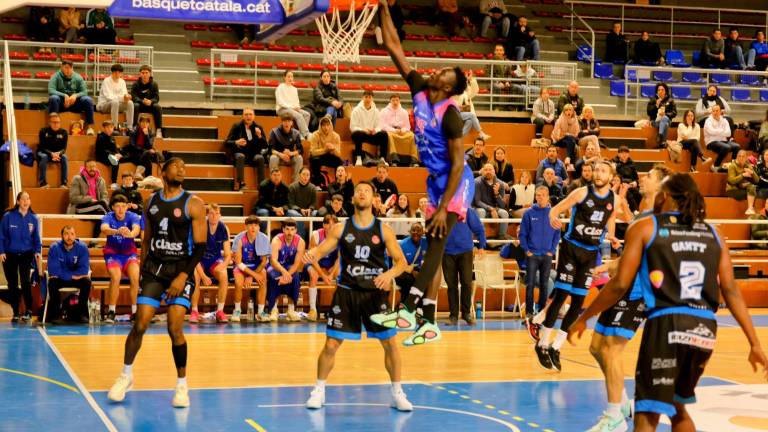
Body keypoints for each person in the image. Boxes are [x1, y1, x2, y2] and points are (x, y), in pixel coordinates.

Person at [568, 173, 768, 432]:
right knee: (677, 408)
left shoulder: (646, 227)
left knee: (646, 414)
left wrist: (584, 317)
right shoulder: (715, 233)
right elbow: (731, 290)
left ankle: (616, 416)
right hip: (705, 330)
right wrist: (754, 343)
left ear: (667, 197)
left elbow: (618, 285)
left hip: (668, 323)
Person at [371, 0, 473, 346]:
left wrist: (445, 207)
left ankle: (410, 309)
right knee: (433, 245)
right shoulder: (419, 90)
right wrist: (381, 7)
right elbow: (392, 46)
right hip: (437, 182)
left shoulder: (451, 114)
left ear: (448, 87)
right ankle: (426, 321)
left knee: (435, 243)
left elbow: (459, 164)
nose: (437, 70)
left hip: (456, 182)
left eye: (444, 72)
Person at [576, 164, 671, 431]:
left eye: (650, 176)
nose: (643, 178)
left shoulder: (657, 216)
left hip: (636, 290)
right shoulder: (644, 211)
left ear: (661, 186)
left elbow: (642, 259)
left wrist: (614, 268)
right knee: (596, 347)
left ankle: (614, 417)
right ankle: (625, 404)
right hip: (625, 282)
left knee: (612, 350)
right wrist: (610, 266)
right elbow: (632, 253)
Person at [108, 157, 207, 408]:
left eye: (185, 167)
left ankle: (182, 385)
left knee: (174, 327)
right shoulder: (151, 202)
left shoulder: (193, 204)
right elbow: (146, 241)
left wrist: (184, 276)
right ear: (163, 172)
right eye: (177, 167)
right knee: (140, 323)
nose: (182, 170)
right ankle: (126, 376)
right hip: (154, 270)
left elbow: (201, 247)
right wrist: (142, 271)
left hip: (180, 270)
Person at [304, 180, 412, 410]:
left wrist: (389, 275)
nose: (361, 193)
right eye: (358, 191)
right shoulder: (341, 228)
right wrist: (310, 253)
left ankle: (397, 392)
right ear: (353, 199)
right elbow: (321, 250)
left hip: (374, 295)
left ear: (374, 199)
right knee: (331, 344)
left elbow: (402, 262)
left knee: (391, 343)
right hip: (347, 293)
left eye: (366, 191)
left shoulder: (384, 229)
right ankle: (319, 390)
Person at [534, 160, 619, 372]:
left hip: (591, 254)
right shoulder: (582, 193)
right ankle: (542, 343)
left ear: (611, 177)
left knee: (579, 301)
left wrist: (612, 236)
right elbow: (556, 209)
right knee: (562, 296)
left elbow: (610, 218)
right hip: (572, 249)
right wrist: (554, 218)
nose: (598, 173)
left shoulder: (615, 200)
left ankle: (556, 346)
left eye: (603, 171)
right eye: (596, 170)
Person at [0, 191, 41, 322]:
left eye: (28, 199)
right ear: (18, 201)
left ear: (30, 202)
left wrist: (37, 251)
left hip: (26, 254)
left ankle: (28, 310)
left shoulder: (34, 218)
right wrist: (1, 251)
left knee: (25, 282)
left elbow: (36, 238)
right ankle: (16, 311)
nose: (25, 201)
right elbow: (1, 236)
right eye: (23, 199)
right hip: (9, 254)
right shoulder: (8, 216)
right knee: (12, 284)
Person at [100, 194, 142, 324]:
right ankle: (112, 311)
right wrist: (117, 231)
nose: (120, 209)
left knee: (135, 277)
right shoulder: (108, 216)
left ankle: (135, 312)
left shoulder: (133, 216)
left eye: (123, 206)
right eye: (117, 206)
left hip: (129, 254)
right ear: (113, 207)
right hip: (113, 254)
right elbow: (104, 229)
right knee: (116, 277)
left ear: (127, 207)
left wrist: (130, 234)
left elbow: (136, 229)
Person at [520, 186, 559, 318]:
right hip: (532, 255)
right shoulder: (528, 213)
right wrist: (527, 250)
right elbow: (522, 234)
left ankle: (541, 314)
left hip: (547, 256)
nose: (540, 197)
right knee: (530, 285)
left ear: (547, 196)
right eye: (537, 195)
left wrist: (552, 250)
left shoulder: (553, 213)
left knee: (544, 284)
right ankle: (529, 314)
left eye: (542, 195)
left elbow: (557, 234)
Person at [189, 204, 232, 324]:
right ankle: (194, 311)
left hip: (214, 260)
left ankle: (220, 311)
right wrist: (203, 276)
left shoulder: (224, 228)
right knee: (195, 276)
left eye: (217, 213)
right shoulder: (200, 226)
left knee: (224, 275)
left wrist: (222, 267)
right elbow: (194, 255)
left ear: (220, 215)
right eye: (211, 213)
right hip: (200, 260)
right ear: (207, 215)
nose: (214, 216)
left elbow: (228, 255)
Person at [443, 207, 486, 325]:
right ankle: (453, 315)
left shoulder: (467, 211)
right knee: (451, 285)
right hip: (447, 252)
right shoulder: (441, 210)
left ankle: (466, 313)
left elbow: (479, 228)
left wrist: (481, 245)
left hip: (465, 252)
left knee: (467, 283)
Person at [46, 226, 91, 323]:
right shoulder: (54, 247)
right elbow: (53, 271)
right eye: (66, 234)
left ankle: (81, 314)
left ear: (75, 236)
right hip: (63, 279)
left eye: (72, 234)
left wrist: (67, 274)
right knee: (52, 282)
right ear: (61, 236)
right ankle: (55, 315)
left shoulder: (82, 247)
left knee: (86, 282)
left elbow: (84, 270)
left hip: (74, 279)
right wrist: (72, 275)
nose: (69, 237)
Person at [232, 216, 271, 322]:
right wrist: (252, 275)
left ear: (258, 227)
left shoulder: (264, 238)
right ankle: (237, 310)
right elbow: (238, 262)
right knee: (238, 284)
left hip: (257, 267)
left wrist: (250, 276)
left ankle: (261, 312)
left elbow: (263, 262)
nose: (253, 228)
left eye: (255, 225)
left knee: (263, 279)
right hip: (242, 266)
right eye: (250, 225)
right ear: (246, 226)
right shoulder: (239, 239)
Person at [266, 220, 306, 321]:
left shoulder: (300, 242)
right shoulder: (276, 240)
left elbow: (297, 264)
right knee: (274, 276)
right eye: (287, 229)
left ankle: (291, 310)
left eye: (292, 229)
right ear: (283, 229)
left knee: (295, 276)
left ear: (296, 230)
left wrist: (287, 274)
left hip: (290, 267)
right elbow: (273, 261)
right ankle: (273, 309)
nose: (289, 232)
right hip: (275, 266)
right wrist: (284, 273)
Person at [306, 214, 340, 322]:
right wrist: (323, 275)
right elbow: (312, 257)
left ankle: (337, 309)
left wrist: (331, 274)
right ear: (323, 225)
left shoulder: (340, 236)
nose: (331, 228)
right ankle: (312, 310)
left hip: (331, 263)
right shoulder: (316, 235)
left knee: (341, 276)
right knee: (314, 275)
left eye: (334, 225)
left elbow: (340, 258)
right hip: (315, 262)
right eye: (329, 225)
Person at [48, 60, 95, 135]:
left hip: (75, 104)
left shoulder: (78, 77)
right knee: (53, 98)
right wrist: (64, 95)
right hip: (61, 104)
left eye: (70, 68)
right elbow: (51, 90)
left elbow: (84, 92)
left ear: (72, 68)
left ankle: (89, 128)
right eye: (66, 67)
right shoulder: (55, 76)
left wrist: (76, 95)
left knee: (88, 100)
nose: (68, 70)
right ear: (61, 67)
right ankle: (51, 127)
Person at [225, 108, 268, 190]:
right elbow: (227, 142)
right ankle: (241, 183)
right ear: (243, 116)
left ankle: (261, 185)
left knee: (260, 158)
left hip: (253, 155)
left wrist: (259, 136)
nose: (248, 117)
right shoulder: (237, 126)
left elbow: (265, 145)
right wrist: (236, 142)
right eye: (246, 114)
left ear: (254, 116)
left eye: (250, 114)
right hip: (240, 153)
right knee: (240, 156)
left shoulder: (258, 127)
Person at [351, 90, 388, 166]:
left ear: (372, 99)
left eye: (370, 97)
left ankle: (382, 158)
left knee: (384, 135)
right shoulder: (356, 110)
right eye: (366, 97)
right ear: (362, 98)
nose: (368, 99)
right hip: (361, 134)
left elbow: (379, 126)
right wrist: (363, 130)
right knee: (357, 134)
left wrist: (375, 130)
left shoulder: (376, 111)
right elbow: (352, 127)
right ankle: (359, 158)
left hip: (372, 134)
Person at [380, 94, 419, 166]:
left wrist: (403, 130)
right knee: (390, 136)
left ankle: (413, 160)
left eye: (397, 100)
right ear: (390, 101)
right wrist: (394, 130)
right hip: (390, 130)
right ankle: (394, 160)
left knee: (412, 136)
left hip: (401, 131)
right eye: (393, 100)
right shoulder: (384, 111)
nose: (395, 102)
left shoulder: (404, 111)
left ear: (399, 101)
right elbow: (383, 125)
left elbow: (407, 126)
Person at [395, 222, 427, 307]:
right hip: (402, 271)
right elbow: (397, 263)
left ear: (423, 232)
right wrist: (412, 271)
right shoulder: (402, 244)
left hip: (420, 272)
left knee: (424, 281)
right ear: (409, 231)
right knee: (411, 281)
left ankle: (407, 306)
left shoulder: (427, 243)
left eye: (418, 230)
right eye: (413, 230)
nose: (416, 232)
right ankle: (407, 306)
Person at [452, 71, 491, 141]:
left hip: (464, 115)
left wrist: (471, 80)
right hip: (455, 114)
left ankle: (459, 138)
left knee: (469, 122)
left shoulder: (466, 93)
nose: (465, 83)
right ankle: (481, 133)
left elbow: (475, 90)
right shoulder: (454, 92)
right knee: (471, 115)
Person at [474, 163, 510, 239]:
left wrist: (496, 194)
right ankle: (480, 237)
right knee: (481, 212)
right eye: (486, 170)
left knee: (505, 213)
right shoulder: (477, 182)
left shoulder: (500, 183)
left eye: (490, 169)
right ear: (482, 172)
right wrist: (491, 209)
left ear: (494, 171)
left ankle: (501, 237)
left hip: (494, 209)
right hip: (479, 208)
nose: (488, 171)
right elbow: (477, 201)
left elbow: (502, 205)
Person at [275, 70, 311, 140]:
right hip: (282, 109)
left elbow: (297, 102)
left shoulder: (294, 89)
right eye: (288, 76)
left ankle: (301, 135)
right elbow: (280, 102)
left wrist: (297, 107)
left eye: (291, 77)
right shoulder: (280, 87)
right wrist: (291, 107)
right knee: (299, 116)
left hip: (292, 109)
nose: (290, 78)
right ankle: (306, 134)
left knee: (307, 114)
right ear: (284, 77)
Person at [97, 64, 134, 131]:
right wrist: (123, 98)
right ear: (112, 72)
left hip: (116, 105)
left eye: (119, 72)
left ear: (121, 73)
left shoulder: (122, 82)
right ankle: (114, 127)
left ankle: (130, 127)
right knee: (115, 102)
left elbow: (124, 94)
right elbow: (108, 97)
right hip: (104, 105)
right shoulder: (106, 81)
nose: (117, 74)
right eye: (115, 72)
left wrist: (127, 97)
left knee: (130, 103)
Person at [308, 115, 342, 187]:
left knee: (339, 161)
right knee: (315, 160)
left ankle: (338, 183)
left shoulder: (336, 136)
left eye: (327, 125)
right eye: (323, 125)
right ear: (320, 126)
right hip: (317, 156)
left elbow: (339, 154)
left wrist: (333, 149)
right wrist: (325, 149)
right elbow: (313, 152)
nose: (326, 127)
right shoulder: (315, 135)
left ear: (330, 125)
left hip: (329, 156)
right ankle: (317, 184)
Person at [704, 104, 741, 171]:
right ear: (712, 112)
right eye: (713, 111)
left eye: (717, 111)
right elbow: (711, 131)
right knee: (726, 147)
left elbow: (728, 133)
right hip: (711, 142)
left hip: (723, 141)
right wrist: (722, 131)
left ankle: (733, 166)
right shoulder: (708, 121)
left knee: (737, 146)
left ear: (721, 112)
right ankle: (715, 166)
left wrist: (717, 132)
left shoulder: (725, 120)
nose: (715, 112)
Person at [269, 114, 304, 182]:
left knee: (299, 158)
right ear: (282, 122)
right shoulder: (274, 132)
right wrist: (281, 154)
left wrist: (291, 153)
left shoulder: (296, 133)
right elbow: (271, 149)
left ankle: (296, 184)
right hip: (278, 156)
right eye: (285, 121)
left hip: (289, 157)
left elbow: (300, 150)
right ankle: (274, 182)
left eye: (289, 121)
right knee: (273, 158)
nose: (287, 123)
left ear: (292, 123)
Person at [37, 113, 69, 188]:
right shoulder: (43, 131)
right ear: (49, 123)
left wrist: (58, 154)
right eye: (53, 122)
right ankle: (42, 182)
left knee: (64, 157)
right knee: (44, 157)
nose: (56, 124)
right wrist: (51, 153)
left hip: (57, 154)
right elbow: (42, 147)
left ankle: (64, 183)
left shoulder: (64, 133)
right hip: (44, 152)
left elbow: (64, 149)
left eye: (57, 122)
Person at [130, 65, 163, 138]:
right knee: (135, 105)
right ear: (140, 74)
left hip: (150, 106)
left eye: (146, 73)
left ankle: (158, 130)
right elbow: (133, 97)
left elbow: (156, 98)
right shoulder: (135, 84)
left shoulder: (154, 84)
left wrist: (151, 101)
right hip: (140, 105)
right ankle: (134, 128)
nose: (144, 74)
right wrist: (142, 101)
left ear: (150, 74)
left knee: (157, 107)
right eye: (142, 73)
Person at [124, 114, 161, 179]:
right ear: (139, 123)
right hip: (135, 154)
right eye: (143, 122)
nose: (145, 124)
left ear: (149, 124)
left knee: (149, 156)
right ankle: (148, 179)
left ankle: (140, 173)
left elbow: (149, 146)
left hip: (146, 154)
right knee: (147, 160)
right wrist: (145, 151)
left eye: (147, 122)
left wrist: (146, 135)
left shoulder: (151, 133)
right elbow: (132, 146)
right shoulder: (133, 131)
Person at [287, 167, 317, 236]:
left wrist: (310, 209)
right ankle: (301, 239)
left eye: (308, 175)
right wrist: (300, 210)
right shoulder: (292, 187)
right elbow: (290, 204)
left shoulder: (313, 188)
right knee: (297, 215)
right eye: (304, 174)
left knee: (316, 213)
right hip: (295, 211)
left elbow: (313, 203)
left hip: (308, 211)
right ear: (299, 175)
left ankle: (312, 237)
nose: (305, 177)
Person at [726, 150, 758, 215]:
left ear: (746, 157)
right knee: (753, 193)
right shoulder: (732, 166)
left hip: (742, 188)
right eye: (739, 156)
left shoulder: (747, 165)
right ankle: (750, 208)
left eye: (743, 156)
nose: (741, 158)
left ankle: (750, 208)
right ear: (737, 157)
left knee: (753, 188)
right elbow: (731, 181)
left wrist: (752, 173)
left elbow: (757, 180)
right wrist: (742, 175)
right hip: (732, 190)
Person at [96, 120, 126, 187]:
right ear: (104, 128)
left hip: (111, 155)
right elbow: (103, 150)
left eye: (111, 127)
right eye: (107, 127)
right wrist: (114, 155)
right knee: (115, 162)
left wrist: (118, 154)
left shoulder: (112, 138)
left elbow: (114, 149)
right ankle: (114, 182)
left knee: (126, 156)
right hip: (102, 156)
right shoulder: (101, 137)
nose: (109, 129)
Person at [647, 82, 677, 148]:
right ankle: (662, 142)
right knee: (665, 125)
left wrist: (665, 114)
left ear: (665, 91)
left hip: (667, 120)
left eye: (662, 90)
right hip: (655, 122)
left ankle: (660, 136)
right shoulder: (652, 100)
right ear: (657, 91)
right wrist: (656, 105)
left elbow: (674, 112)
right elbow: (649, 112)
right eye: (659, 90)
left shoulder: (670, 100)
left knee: (665, 118)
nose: (660, 91)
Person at [613, 146, 641, 212]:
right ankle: (635, 210)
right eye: (622, 153)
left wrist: (635, 183)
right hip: (620, 184)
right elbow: (614, 177)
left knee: (639, 193)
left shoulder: (632, 164)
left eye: (626, 153)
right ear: (618, 154)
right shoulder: (614, 163)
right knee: (627, 192)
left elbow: (636, 178)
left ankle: (640, 210)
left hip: (630, 185)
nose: (624, 155)